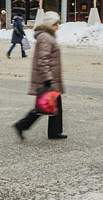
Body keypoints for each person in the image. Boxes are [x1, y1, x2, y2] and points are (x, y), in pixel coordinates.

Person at [13, 11, 67, 140]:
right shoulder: (45, 38)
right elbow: (43, 59)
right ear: (50, 24)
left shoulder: (47, 37)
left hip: (50, 77)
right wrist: (47, 78)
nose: (57, 27)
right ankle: (21, 125)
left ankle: (54, 132)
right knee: (43, 106)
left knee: (54, 105)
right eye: (56, 24)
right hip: (47, 78)